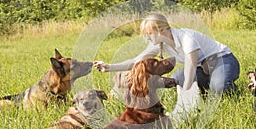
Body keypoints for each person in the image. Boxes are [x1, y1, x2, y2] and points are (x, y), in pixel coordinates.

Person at [94, 13, 240, 94]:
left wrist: (187, 92)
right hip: (203, 68)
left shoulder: (186, 37)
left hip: (223, 59)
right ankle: (210, 86)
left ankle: (227, 87)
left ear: (162, 30)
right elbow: (136, 61)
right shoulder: (159, 44)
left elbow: (190, 67)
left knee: (218, 87)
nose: (147, 38)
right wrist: (109, 67)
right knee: (175, 80)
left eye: (149, 34)